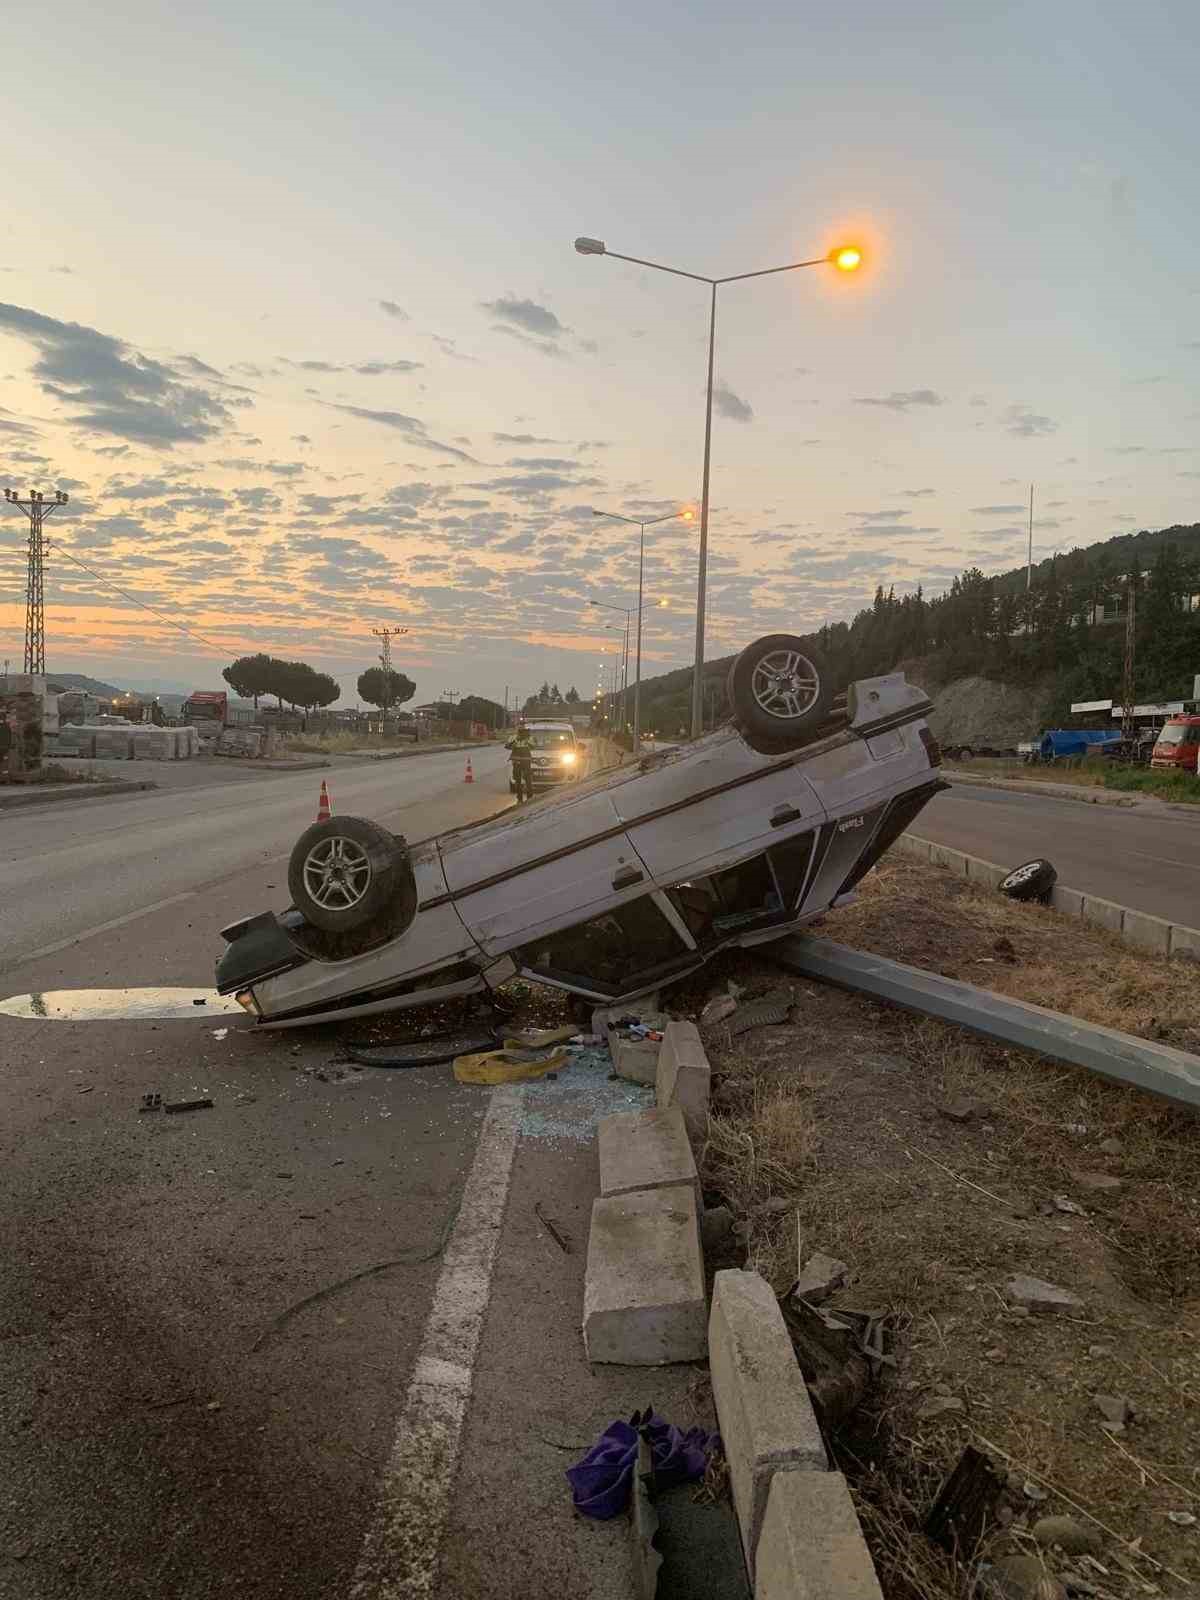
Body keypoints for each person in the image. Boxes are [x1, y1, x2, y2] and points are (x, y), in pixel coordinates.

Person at [507, 719, 534, 801]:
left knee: (528, 779)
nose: (520, 726)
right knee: (517, 780)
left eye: (522, 725)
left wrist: (525, 739)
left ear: (524, 726)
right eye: (519, 725)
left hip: (526, 761)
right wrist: (515, 741)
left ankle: (529, 797)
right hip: (516, 761)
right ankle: (519, 798)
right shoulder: (513, 737)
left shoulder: (529, 737)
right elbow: (507, 746)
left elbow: (533, 746)